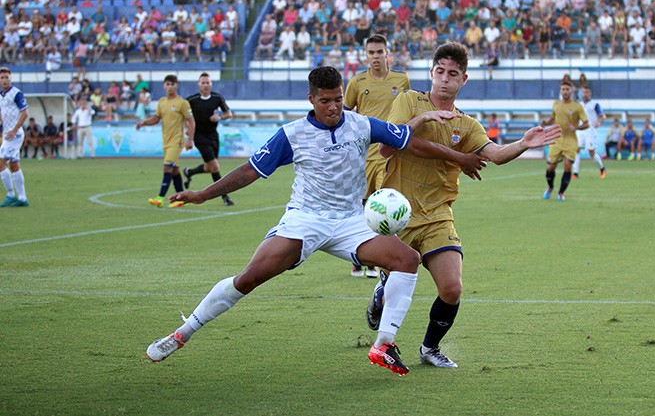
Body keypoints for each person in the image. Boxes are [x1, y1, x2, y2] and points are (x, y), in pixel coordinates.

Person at [145, 66, 469, 376]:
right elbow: (249, 171)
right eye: (325, 100)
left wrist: (454, 152)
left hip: (351, 221)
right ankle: (182, 333)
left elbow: (405, 139)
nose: (333, 107)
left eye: (338, 99)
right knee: (248, 278)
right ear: (311, 99)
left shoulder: (361, 124)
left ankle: (384, 343)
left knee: (406, 260)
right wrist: (204, 194)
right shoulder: (292, 134)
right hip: (305, 219)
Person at [364, 43, 561, 369]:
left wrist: (523, 144)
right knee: (392, 293)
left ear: (463, 79)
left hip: (438, 214)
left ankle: (430, 348)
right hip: (398, 214)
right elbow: (393, 144)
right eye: (439, 72)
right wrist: (435, 130)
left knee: (452, 288)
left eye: (452, 74)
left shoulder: (467, 125)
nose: (444, 80)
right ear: (431, 73)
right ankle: (381, 293)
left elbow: (494, 155)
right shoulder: (409, 101)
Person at [343, 34, 411, 278]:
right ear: (365, 55)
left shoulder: (402, 80)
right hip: (363, 156)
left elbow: (409, 110)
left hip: (391, 155)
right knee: (361, 207)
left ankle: (382, 262)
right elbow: (345, 116)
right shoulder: (357, 82)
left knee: (385, 208)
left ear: (387, 53)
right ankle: (358, 258)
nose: (375, 56)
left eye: (379, 52)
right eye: (371, 52)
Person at [136, 74, 195, 208]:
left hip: (177, 141)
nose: (170, 87)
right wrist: (144, 122)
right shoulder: (162, 102)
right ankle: (181, 198)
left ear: (177, 85)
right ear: (164, 86)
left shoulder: (182, 103)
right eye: (167, 84)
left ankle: (160, 197)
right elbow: (156, 119)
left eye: (172, 84)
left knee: (167, 166)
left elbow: (191, 121)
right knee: (174, 170)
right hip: (166, 142)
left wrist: (190, 139)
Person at [183, 73, 235, 207]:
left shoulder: (217, 98)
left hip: (213, 136)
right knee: (215, 167)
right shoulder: (191, 100)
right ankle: (225, 197)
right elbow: (183, 116)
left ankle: (189, 172)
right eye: (203, 83)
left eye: (208, 83)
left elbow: (228, 113)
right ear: (198, 84)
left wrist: (219, 118)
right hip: (199, 137)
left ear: (211, 84)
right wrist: (187, 131)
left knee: (209, 167)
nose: (205, 85)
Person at [541, 79, 589, 201]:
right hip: (556, 139)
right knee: (550, 167)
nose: (565, 91)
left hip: (570, 140)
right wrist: (547, 122)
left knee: (567, 166)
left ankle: (561, 193)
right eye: (563, 89)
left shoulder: (577, 107)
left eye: (567, 89)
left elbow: (586, 123)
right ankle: (550, 187)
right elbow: (553, 118)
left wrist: (576, 127)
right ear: (560, 91)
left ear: (571, 91)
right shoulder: (556, 104)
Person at [0, 67, 30, 207]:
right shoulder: (1, 95)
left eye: (6, 77)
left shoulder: (16, 93)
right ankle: (22, 198)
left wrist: (14, 130)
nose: (4, 80)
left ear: (11, 78)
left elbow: (25, 113)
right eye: (2, 78)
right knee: (14, 165)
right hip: (8, 135)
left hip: (15, 135)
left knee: (1, 163)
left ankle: (11, 194)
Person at [572, 86, 607, 179]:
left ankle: (602, 168)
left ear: (590, 93)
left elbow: (603, 116)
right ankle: (575, 173)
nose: (585, 94)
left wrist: (598, 122)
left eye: (587, 92)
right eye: (584, 92)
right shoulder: (579, 104)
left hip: (590, 130)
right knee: (576, 149)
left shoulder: (594, 104)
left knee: (591, 152)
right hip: (581, 130)